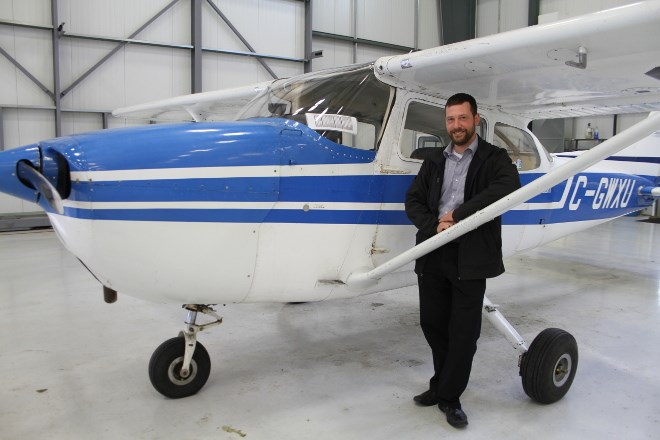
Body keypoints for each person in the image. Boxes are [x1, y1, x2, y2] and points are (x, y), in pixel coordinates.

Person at [404, 93, 521, 428]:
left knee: (464, 334)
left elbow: (508, 185)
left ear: (476, 119)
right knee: (432, 323)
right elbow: (413, 199)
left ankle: (450, 397)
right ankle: (441, 385)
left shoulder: (494, 158)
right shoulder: (434, 160)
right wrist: (434, 225)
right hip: (433, 251)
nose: (456, 126)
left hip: (470, 257)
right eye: (451, 119)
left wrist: (457, 215)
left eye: (462, 119)